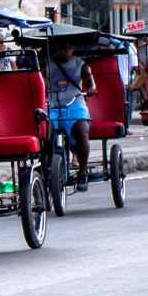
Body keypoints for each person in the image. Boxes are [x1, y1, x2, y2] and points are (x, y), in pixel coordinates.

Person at [44, 43, 97, 189]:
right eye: (62, 48)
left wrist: (91, 88)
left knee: (81, 130)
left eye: (69, 48)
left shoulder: (81, 64)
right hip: (53, 105)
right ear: (56, 48)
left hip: (75, 103)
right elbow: (40, 82)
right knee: (45, 132)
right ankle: (48, 164)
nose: (66, 51)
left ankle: (82, 172)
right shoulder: (47, 65)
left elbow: (89, 79)